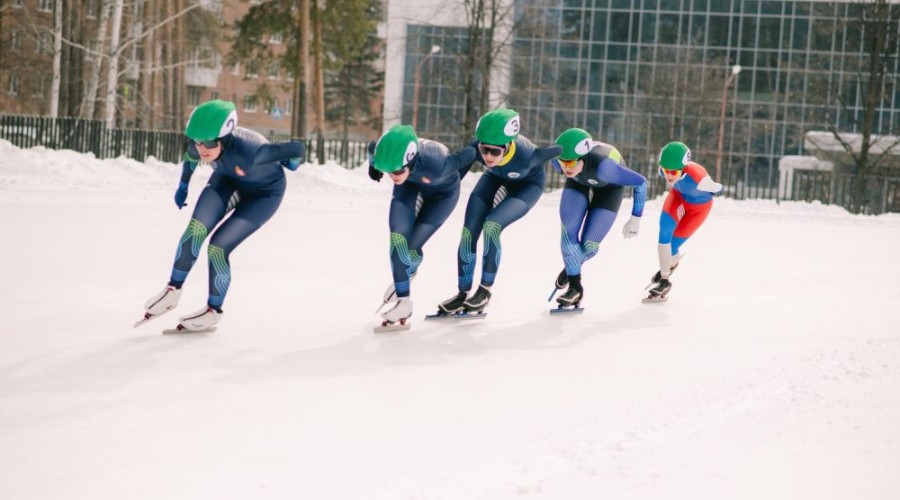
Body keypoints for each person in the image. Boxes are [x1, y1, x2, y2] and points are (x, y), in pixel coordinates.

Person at [137, 99, 305, 331]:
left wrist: (293, 162)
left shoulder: (255, 152)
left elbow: (298, 148)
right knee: (196, 229)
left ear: (224, 139)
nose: (201, 148)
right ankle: (172, 290)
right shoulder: (201, 145)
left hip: (263, 195)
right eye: (197, 142)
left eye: (207, 143)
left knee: (218, 247)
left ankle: (213, 311)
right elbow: (190, 159)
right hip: (227, 181)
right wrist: (183, 186)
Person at [438, 108, 562, 315]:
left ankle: (485, 291)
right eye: (484, 149)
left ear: (508, 146)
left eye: (495, 151)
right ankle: (462, 294)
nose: (487, 156)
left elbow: (556, 150)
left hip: (527, 186)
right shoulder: (477, 148)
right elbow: (456, 175)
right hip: (495, 178)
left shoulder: (526, 156)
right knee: (469, 232)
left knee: (492, 225)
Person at [367, 124, 476, 325]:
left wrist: (484, 142)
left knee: (412, 247)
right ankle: (404, 303)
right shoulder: (389, 156)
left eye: (396, 171)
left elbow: (470, 153)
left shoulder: (438, 164)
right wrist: (373, 165)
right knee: (398, 238)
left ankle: (409, 268)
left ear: (410, 161)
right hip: (411, 186)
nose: (393, 176)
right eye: (388, 171)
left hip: (444, 194)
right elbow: (374, 147)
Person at [550, 128, 647, 307]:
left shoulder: (605, 168)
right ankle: (575, 287)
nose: (565, 167)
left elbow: (641, 182)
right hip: (578, 183)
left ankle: (572, 264)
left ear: (583, 158)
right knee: (568, 231)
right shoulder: (561, 163)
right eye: (562, 163)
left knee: (589, 246)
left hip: (610, 188)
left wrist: (636, 218)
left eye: (570, 163)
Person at [647, 141, 723, 299]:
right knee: (664, 231)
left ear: (683, 169)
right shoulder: (663, 170)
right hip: (678, 197)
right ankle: (665, 280)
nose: (668, 175)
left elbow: (718, 188)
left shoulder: (700, 179)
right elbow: (668, 171)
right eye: (667, 170)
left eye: (674, 173)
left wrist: (715, 188)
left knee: (673, 244)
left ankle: (671, 262)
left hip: (698, 209)